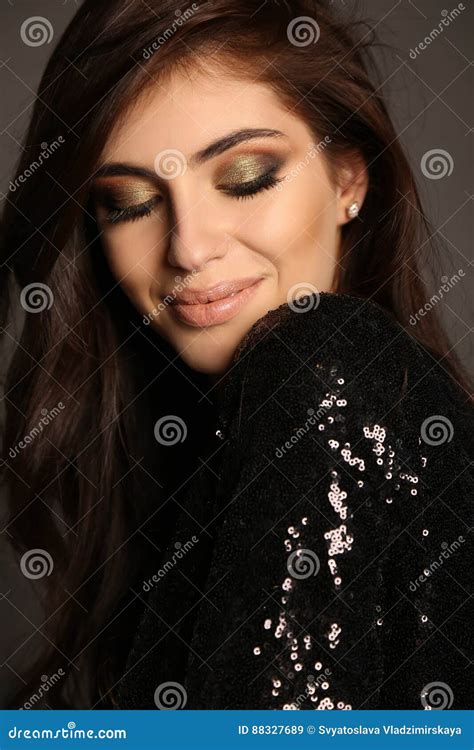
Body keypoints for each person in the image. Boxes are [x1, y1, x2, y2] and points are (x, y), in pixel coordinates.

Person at [0, 0, 471, 710]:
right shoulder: (191, 467)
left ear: (347, 177)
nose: (189, 247)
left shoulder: (323, 369)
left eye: (245, 175)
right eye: (128, 201)